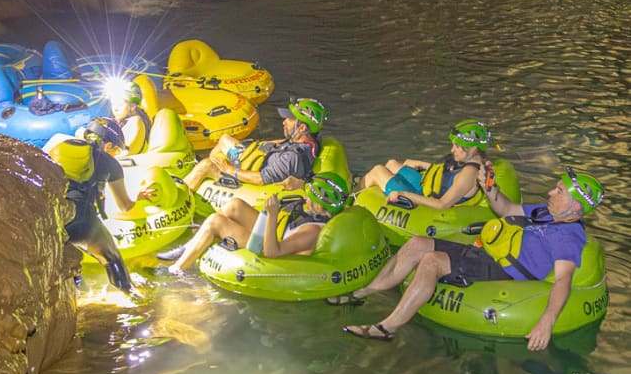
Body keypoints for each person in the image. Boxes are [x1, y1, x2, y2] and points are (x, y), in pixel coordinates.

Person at [334, 165, 604, 351]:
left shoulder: (568, 236)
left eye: (559, 191)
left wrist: (547, 321)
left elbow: (563, 280)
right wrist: (490, 188)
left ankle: (387, 328)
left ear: (575, 206)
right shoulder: (546, 212)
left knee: (432, 261)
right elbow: (506, 208)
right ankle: (366, 291)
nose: (550, 193)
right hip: (490, 253)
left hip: (505, 270)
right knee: (418, 243)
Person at [166, 173, 348, 275]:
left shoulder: (312, 231)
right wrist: (300, 184)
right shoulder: (316, 212)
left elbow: (272, 252)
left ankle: (177, 269)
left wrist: (272, 215)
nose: (306, 196)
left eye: (310, 195)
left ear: (319, 203)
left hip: (269, 247)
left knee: (216, 221)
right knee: (234, 206)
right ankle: (191, 245)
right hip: (279, 233)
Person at [48, 116, 147, 293]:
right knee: (112, 258)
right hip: (83, 222)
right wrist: (138, 199)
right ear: (108, 145)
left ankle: (80, 293)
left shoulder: (58, 148)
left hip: (51, 221)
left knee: (67, 263)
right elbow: (124, 205)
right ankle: (128, 295)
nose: (115, 154)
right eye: (116, 150)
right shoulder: (109, 162)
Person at [183, 96, 325, 193]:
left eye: (289, 119)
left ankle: (183, 193)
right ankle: (208, 170)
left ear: (302, 128)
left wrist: (229, 170)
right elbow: (286, 143)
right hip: (257, 159)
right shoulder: (309, 142)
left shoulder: (291, 158)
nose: (284, 121)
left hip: (249, 173)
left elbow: (261, 179)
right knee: (225, 139)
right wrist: (261, 144)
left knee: (205, 165)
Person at [361, 119, 492, 210]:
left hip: (426, 197)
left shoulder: (470, 173)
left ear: (473, 147)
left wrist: (403, 194)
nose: (452, 150)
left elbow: (442, 204)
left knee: (377, 171)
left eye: (457, 146)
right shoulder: (472, 159)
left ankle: (352, 199)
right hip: (429, 187)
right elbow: (448, 174)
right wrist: (421, 164)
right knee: (392, 163)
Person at [112, 81, 151, 154]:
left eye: (120, 104)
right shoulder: (119, 122)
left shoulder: (136, 122)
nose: (115, 108)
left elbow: (125, 152)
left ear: (132, 106)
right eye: (113, 103)